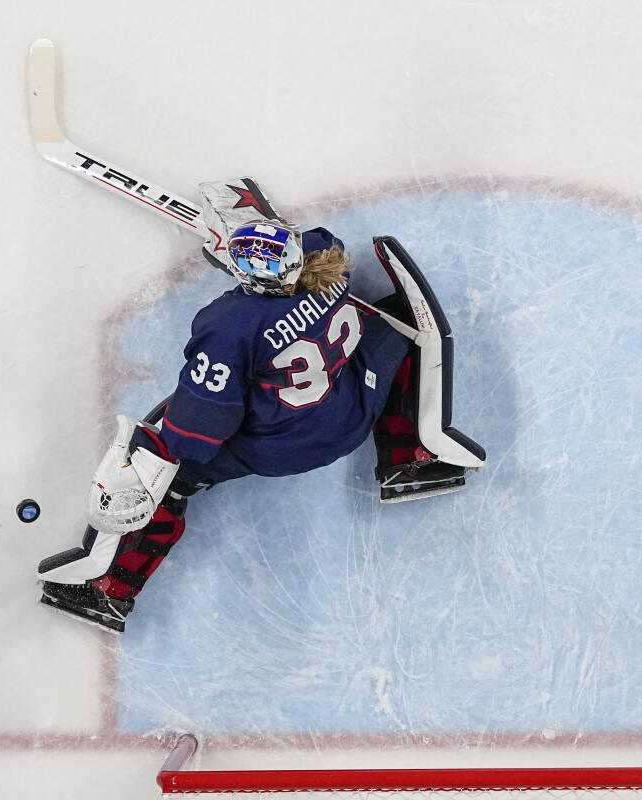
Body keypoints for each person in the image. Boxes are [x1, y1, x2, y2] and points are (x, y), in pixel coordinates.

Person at [37, 179, 486, 633]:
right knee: (393, 324)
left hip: (281, 446)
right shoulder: (331, 266)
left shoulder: (228, 326)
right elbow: (315, 240)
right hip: (351, 411)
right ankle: (414, 457)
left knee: (166, 462)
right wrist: (254, 227)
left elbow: (197, 432)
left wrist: (150, 464)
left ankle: (105, 590)